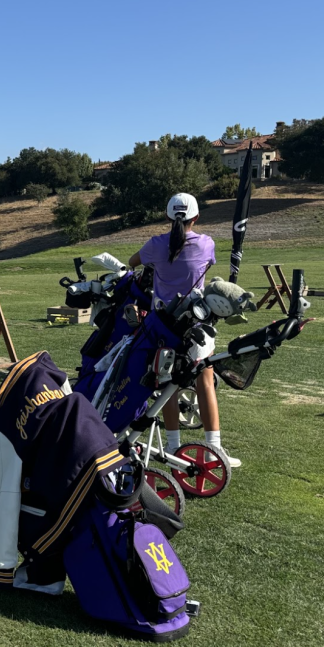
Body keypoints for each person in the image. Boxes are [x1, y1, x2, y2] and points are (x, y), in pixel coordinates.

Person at [128, 193, 240, 467]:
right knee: (205, 381)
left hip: (162, 325)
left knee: (168, 384)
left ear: (167, 217)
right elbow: (206, 266)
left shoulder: (155, 244)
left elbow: (133, 263)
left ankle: (173, 445)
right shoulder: (206, 243)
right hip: (197, 324)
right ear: (196, 217)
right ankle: (215, 449)